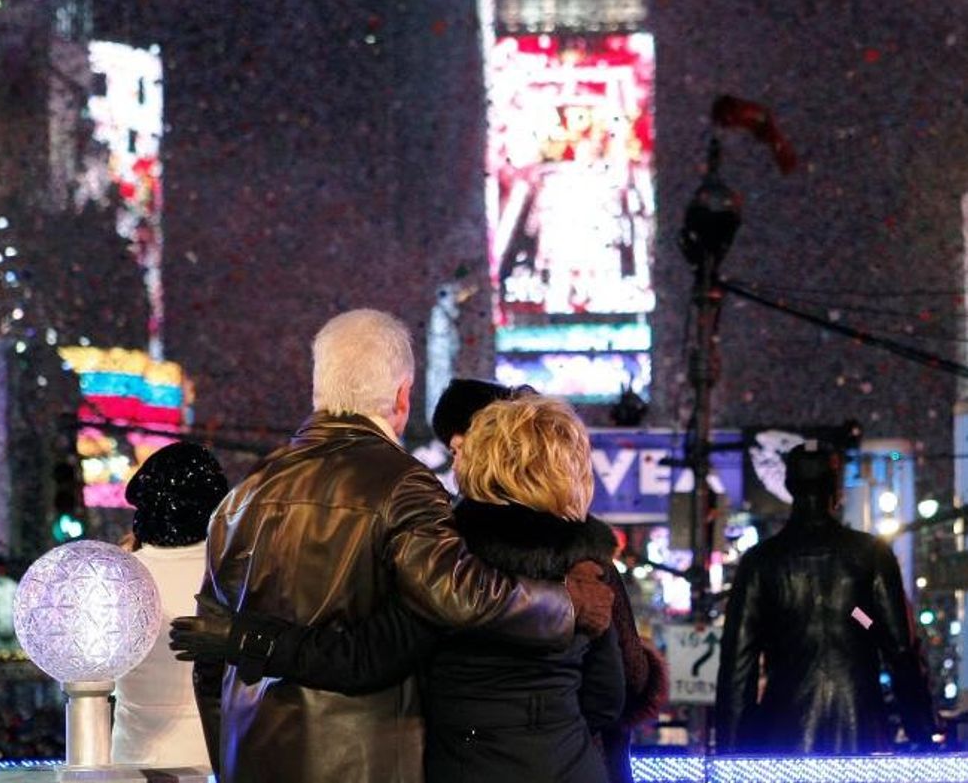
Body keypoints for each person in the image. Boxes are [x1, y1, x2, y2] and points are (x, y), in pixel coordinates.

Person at [190, 309, 613, 783]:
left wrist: (230, 758)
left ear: (319, 387)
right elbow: (455, 595)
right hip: (365, 761)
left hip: (252, 754)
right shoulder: (403, 485)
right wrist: (566, 605)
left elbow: (209, 653)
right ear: (403, 394)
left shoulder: (241, 497)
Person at [433, 377, 668, 782]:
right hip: (573, 761)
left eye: (458, 449)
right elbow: (614, 694)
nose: (455, 463)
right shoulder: (584, 562)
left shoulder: (444, 556)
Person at [715, 440, 938, 754]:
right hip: (862, 732)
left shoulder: (760, 562)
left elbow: (738, 667)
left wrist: (732, 751)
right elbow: (900, 649)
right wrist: (921, 730)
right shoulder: (871, 555)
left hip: (784, 734)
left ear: (789, 486)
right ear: (836, 489)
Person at [112, 440, 229, 767]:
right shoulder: (235, 576)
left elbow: (87, 682)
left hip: (133, 760)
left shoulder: (116, 577)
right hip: (216, 757)